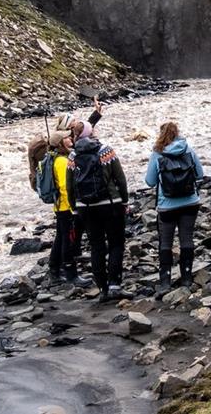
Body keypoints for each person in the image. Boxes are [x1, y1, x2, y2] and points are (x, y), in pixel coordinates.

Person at [26, 99, 103, 287]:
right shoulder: (61, 162)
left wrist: (95, 115)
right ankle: (70, 273)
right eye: (68, 137)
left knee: (61, 238)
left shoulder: (55, 157)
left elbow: (83, 130)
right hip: (66, 207)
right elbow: (66, 187)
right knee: (68, 240)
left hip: (60, 206)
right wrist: (75, 208)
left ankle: (54, 270)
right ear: (61, 142)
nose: (71, 139)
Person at [71, 124, 132, 302]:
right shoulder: (106, 151)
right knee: (116, 244)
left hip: (85, 207)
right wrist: (125, 200)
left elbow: (69, 185)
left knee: (96, 246)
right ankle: (114, 286)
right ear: (92, 133)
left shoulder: (72, 156)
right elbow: (120, 178)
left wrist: (75, 208)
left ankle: (102, 289)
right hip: (110, 204)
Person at [144, 122, 205, 295]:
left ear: (161, 134)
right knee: (187, 239)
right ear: (178, 133)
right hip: (190, 202)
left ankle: (165, 281)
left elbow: (150, 182)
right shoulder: (188, 150)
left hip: (167, 206)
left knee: (165, 242)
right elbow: (200, 174)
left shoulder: (157, 153)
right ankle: (186, 278)